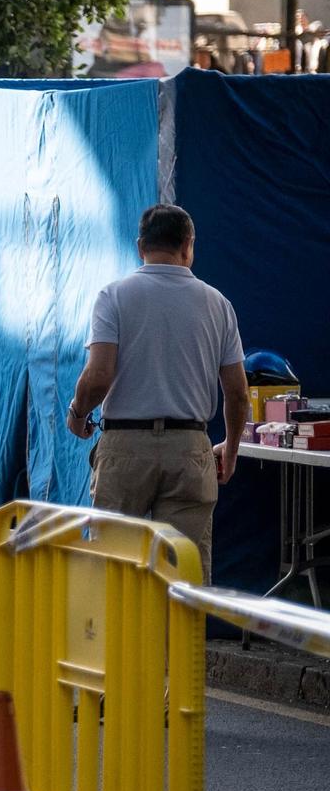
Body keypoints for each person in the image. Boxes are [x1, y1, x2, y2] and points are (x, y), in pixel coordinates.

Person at [65, 203, 248, 575]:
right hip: (190, 449)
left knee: (112, 567)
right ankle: (174, 635)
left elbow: (98, 376)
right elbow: (238, 392)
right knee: (181, 575)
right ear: (188, 246)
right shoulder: (218, 304)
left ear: (139, 246)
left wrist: (78, 413)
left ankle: (119, 635)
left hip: (125, 448)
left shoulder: (113, 296)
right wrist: (230, 448)